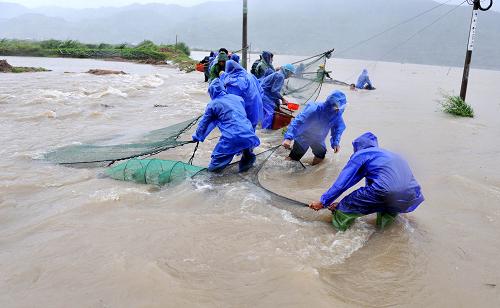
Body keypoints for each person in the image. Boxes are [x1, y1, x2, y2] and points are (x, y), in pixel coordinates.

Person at [309, 132, 424, 231]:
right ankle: (383, 235)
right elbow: (376, 187)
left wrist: (324, 202)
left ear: (358, 147)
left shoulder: (362, 154)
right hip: (411, 195)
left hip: (384, 191)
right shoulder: (389, 155)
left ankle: (334, 236)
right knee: (387, 210)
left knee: (344, 208)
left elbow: (343, 182)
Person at [193, 79, 260, 173]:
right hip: (249, 134)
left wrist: (197, 136)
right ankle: (244, 178)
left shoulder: (213, 104)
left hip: (232, 137)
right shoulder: (238, 98)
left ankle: (210, 186)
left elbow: (204, 123)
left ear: (211, 91)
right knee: (247, 158)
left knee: (213, 170)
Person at [282, 90, 347, 165]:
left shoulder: (337, 115)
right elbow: (298, 122)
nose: (338, 110)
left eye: (340, 107)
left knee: (321, 154)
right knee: (294, 158)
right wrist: (288, 138)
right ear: (330, 104)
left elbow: (338, 129)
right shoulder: (314, 109)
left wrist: (335, 143)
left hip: (318, 139)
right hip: (303, 135)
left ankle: (312, 172)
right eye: (336, 107)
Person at [223, 60, 263, 129]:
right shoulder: (251, 76)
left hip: (245, 109)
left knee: (241, 130)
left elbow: (231, 99)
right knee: (251, 131)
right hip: (256, 107)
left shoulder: (234, 80)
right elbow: (261, 91)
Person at [260, 64, 296, 129]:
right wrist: (283, 99)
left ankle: (263, 126)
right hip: (264, 94)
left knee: (271, 110)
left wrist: (278, 104)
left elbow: (274, 92)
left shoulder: (279, 73)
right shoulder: (281, 76)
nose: (290, 76)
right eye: (291, 73)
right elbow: (274, 91)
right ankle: (265, 132)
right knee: (270, 113)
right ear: (287, 71)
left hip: (264, 93)